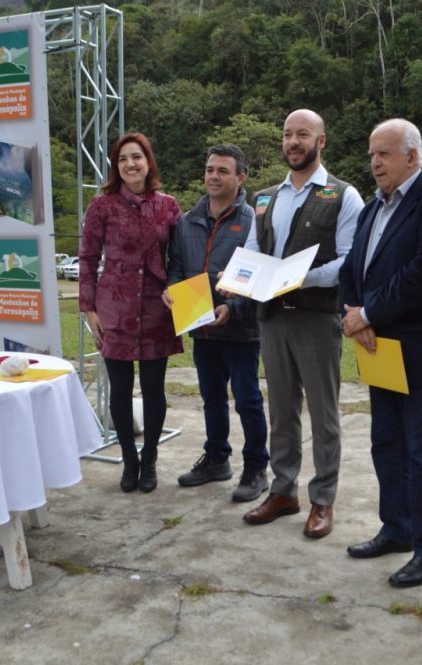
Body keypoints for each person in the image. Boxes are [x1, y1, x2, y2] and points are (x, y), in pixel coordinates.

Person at [339, 119, 422, 588]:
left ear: (412, 157)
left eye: (384, 154)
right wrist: (352, 314)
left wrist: (368, 313)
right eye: (372, 154)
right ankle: (396, 530)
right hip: (379, 350)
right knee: (386, 446)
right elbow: (353, 268)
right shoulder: (373, 207)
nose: (375, 162)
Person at [240, 109, 364, 538]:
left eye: (303, 134)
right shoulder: (263, 198)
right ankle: (283, 491)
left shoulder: (343, 195)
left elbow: (349, 260)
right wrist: (240, 278)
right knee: (281, 411)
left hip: (317, 318)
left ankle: (323, 499)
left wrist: (297, 279)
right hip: (272, 320)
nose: (293, 142)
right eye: (287, 134)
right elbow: (252, 250)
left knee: (324, 414)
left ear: (321, 141)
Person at [163, 145, 270, 502]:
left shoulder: (254, 221)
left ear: (241, 178)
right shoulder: (187, 220)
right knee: (211, 398)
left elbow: (259, 274)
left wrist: (235, 307)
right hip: (202, 327)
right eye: (210, 169)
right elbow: (177, 265)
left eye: (223, 171)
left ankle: (256, 467)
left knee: (247, 401)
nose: (214, 176)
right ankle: (216, 459)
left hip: (241, 330)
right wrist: (172, 290)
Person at [79, 131, 183, 494]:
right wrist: (89, 308)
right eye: (122, 159)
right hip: (115, 308)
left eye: (136, 157)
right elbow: (88, 258)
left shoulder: (168, 206)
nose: (130, 164)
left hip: (157, 308)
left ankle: (150, 457)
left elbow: (178, 258)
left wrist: (176, 289)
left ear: (148, 161)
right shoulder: (102, 206)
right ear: (116, 166)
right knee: (120, 389)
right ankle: (129, 458)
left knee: (154, 388)